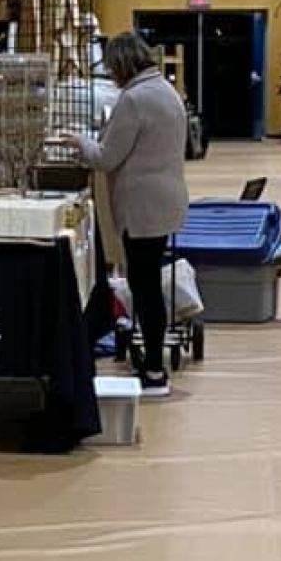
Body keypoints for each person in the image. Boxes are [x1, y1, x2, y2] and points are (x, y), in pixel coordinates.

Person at [67, 31, 189, 397]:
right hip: (167, 200)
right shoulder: (167, 91)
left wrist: (78, 142)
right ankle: (152, 361)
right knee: (149, 282)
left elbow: (106, 157)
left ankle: (153, 370)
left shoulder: (134, 99)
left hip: (143, 207)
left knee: (146, 286)